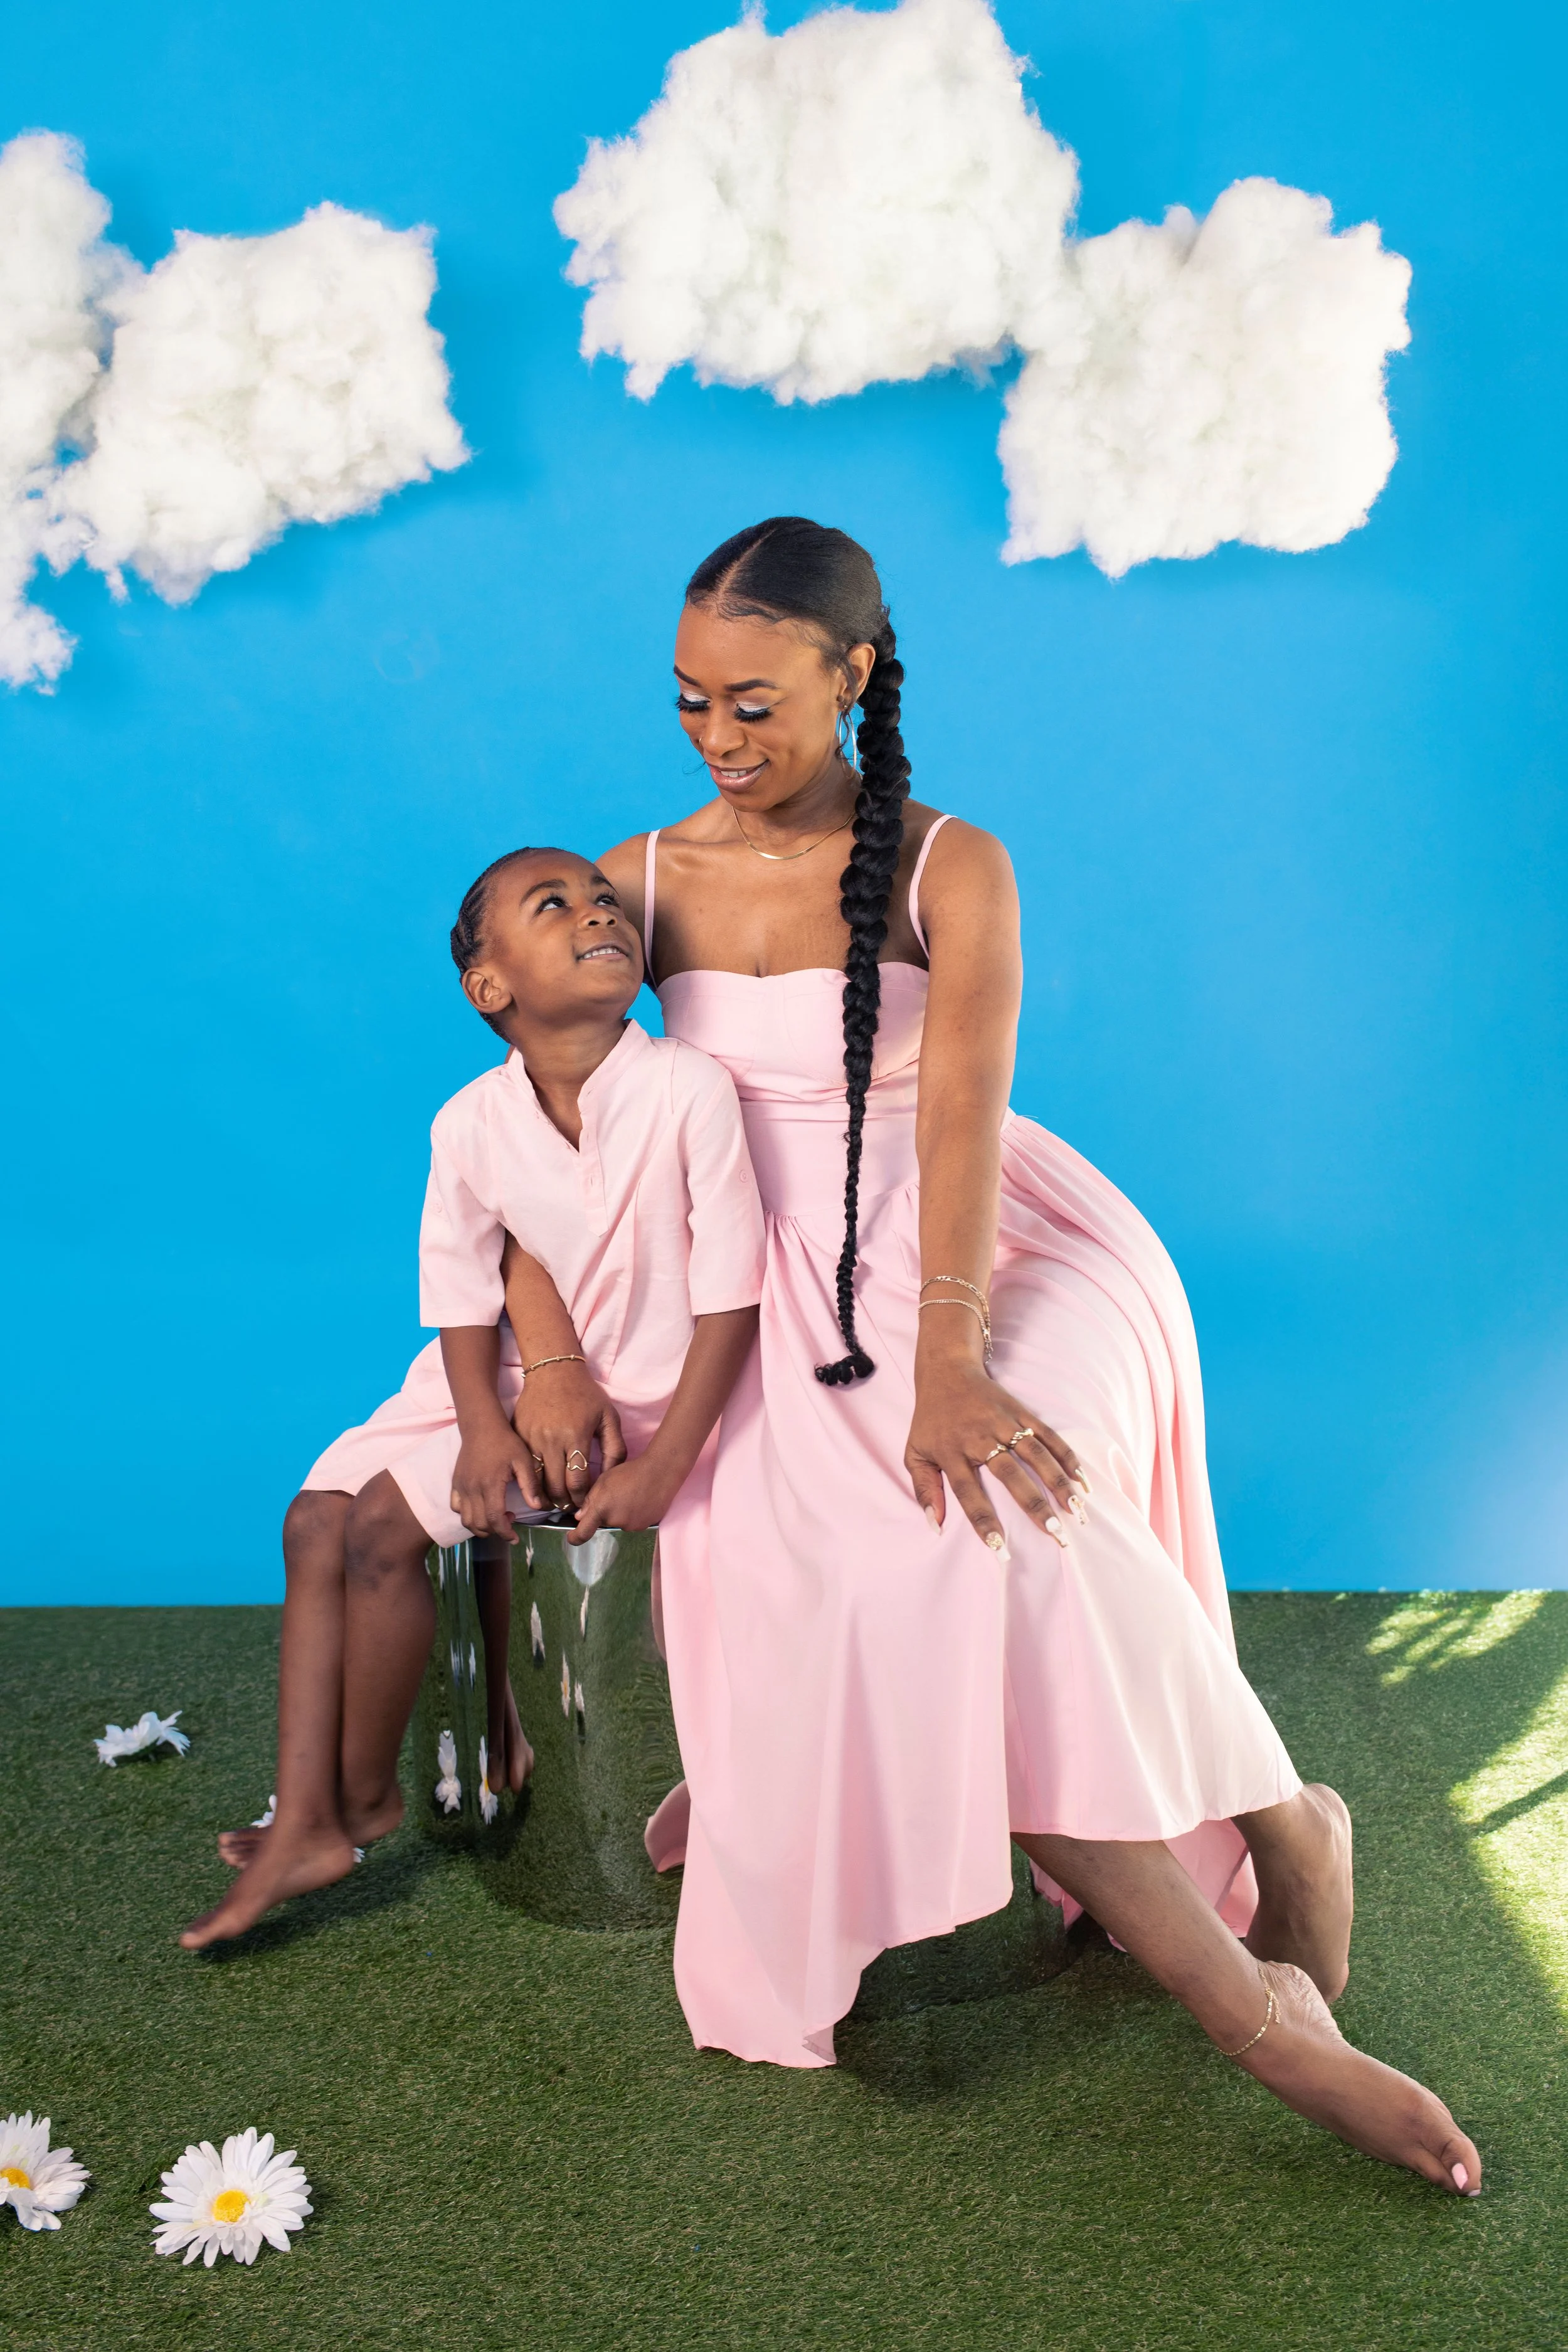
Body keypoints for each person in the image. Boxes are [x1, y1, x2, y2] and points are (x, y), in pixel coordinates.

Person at [502, 517, 1481, 2195]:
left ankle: (1275, 1823)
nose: (718, 742)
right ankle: (1253, 1991)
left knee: (1005, 1502)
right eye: (688, 705)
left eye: (754, 703)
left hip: (976, 1238)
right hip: (758, 1266)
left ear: (853, 673)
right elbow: (548, 1114)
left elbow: (958, 1117)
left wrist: (947, 1354)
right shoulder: (638, 874)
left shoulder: (956, 862)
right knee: (949, 1557)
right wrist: (554, 1356)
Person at [179, 846, 764, 1950]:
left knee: (385, 1528)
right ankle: (321, 1805)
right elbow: (459, 1291)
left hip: (641, 1399)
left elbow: (733, 1296)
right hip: (490, 1377)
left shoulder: (690, 1089)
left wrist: (668, 1461)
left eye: (604, 900)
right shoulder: (469, 1122)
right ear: (489, 987)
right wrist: (484, 1426)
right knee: (315, 1519)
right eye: (556, 905)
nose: (598, 911)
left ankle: (346, 1809)